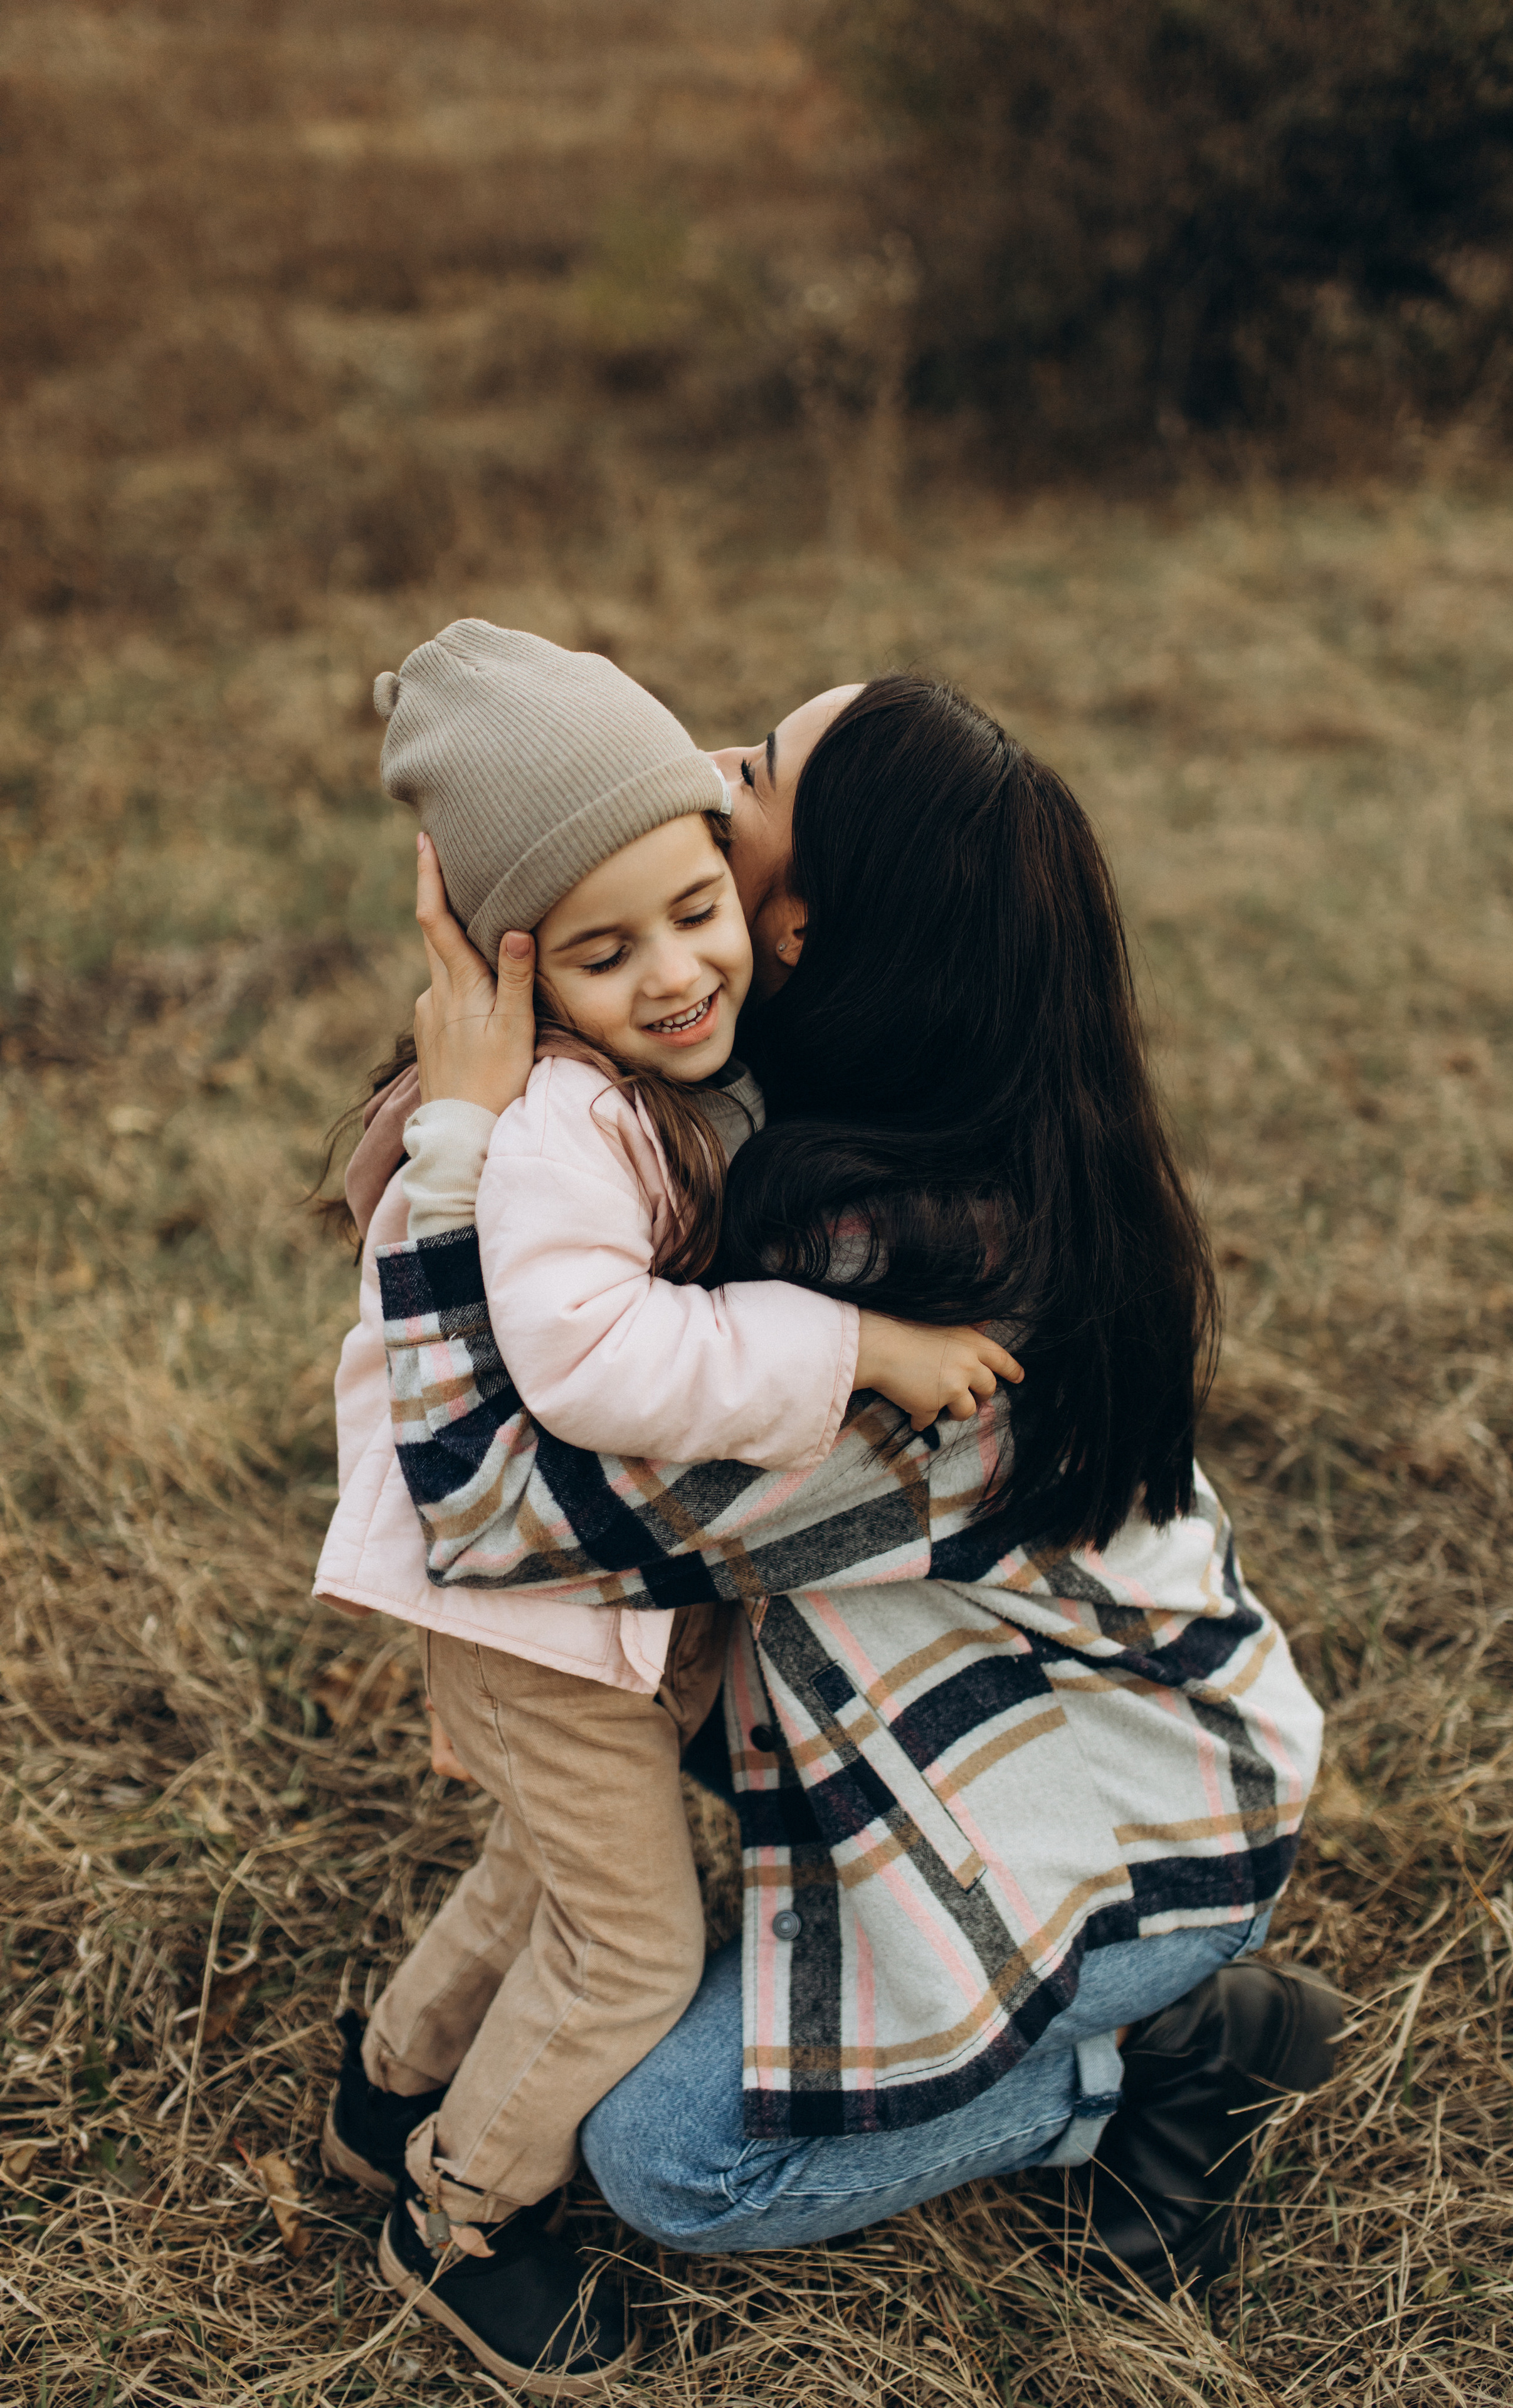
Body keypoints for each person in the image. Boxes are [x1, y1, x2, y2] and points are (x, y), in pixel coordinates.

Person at [321, 666, 1334, 2393]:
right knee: (602, 1910)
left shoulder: (910, 1303)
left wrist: (452, 1148)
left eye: (756, 767)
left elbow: (490, 1512)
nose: (710, 766)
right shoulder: (820, 1114)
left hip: (1135, 1846)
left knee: (674, 2163)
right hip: (963, 1778)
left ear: (793, 927)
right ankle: (400, 2088)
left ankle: (1158, 2062)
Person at [314, 624, 1022, 2387]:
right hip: (527, 1604)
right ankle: (461, 2207)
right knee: (636, 1951)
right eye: (606, 953)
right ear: (522, 973)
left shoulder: (661, 1081)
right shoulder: (564, 1121)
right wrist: (856, 1341)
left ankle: (385, 2086)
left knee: (542, 1874)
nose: (679, 974)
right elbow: (588, 1361)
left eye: (698, 910)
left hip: (572, 1610)